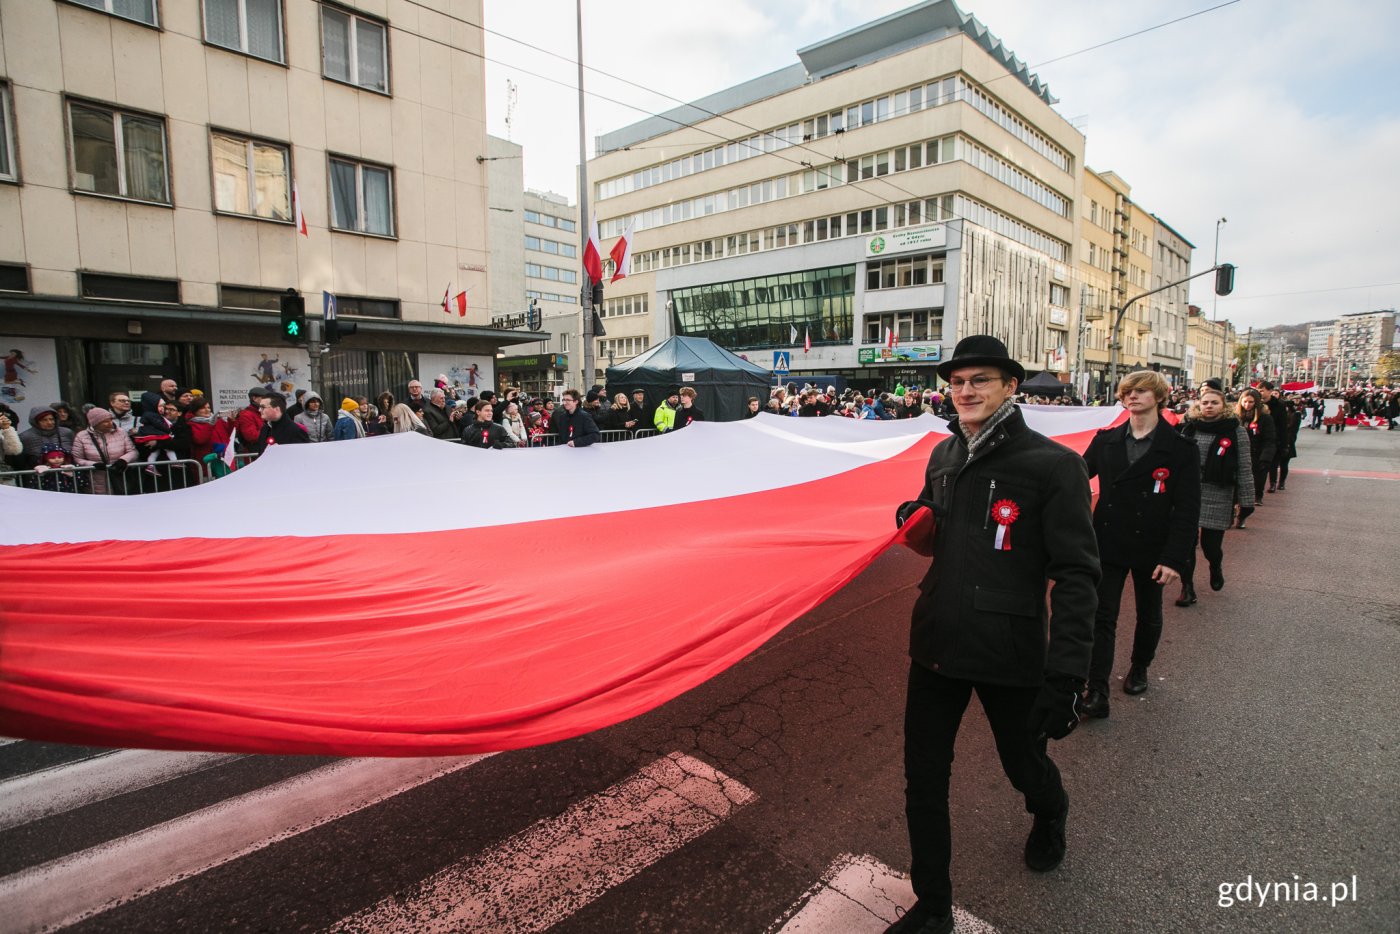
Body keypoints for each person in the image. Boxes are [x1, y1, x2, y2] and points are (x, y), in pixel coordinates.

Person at [889, 336, 1098, 934]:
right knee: (923, 780)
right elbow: (936, 524)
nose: (966, 391)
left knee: (1022, 764)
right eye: (957, 382)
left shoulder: (1054, 465)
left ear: (1011, 385)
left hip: (1008, 650)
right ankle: (932, 907)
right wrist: (914, 514)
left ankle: (1050, 809)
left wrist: (1067, 676)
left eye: (980, 379)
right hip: (935, 643)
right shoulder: (945, 456)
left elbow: (1079, 575)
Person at [1079, 372, 1200, 717]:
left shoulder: (1180, 448)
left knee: (1149, 612)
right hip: (1108, 538)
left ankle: (1140, 666)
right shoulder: (1106, 441)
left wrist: (1175, 558)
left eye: (1141, 390)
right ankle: (1097, 688)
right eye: (1127, 391)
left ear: (1159, 396)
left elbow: (1188, 508)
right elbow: (1074, 475)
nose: (1132, 396)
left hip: (1154, 544)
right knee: (1102, 615)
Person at [1176, 386, 1254, 605]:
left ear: (1224, 406)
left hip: (1219, 492)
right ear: (1198, 405)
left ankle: (1215, 565)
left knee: (1211, 546)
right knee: (1186, 543)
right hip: (1189, 492)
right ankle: (1187, 587)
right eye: (1205, 402)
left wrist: (1247, 502)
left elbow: (1244, 468)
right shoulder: (1189, 428)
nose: (1209, 406)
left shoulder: (1236, 431)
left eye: (1214, 403)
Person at [1235, 388, 1275, 507]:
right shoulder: (1235, 417)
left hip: (1257, 453)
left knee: (1257, 479)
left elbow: (1269, 439)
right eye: (1245, 401)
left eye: (1251, 402)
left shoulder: (1265, 418)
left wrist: (1266, 457)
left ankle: (1258, 495)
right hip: (1239, 453)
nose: (1247, 405)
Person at [236, 387, 272, 453]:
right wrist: (271, 434)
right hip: (254, 452)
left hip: (265, 449)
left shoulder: (262, 412)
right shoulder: (246, 415)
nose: (267, 401)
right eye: (264, 398)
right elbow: (251, 436)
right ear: (254, 399)